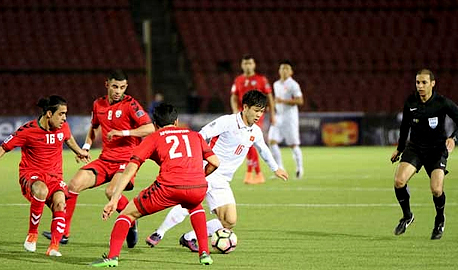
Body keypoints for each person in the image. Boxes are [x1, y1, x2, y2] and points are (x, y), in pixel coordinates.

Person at [145, 90, 288, 251]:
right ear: (245, 107)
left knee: (229, 221)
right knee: (189, 203)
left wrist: (275, 168)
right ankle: (159, 233)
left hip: (223, 179)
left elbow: (263, 150)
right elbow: (202, 135)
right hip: (206, 169)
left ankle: (189, 237)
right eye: (256, 110)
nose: (259, 115)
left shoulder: (255, 131)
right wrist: (195, 157)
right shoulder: (227, 122)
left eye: (262, 111)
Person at [90, 103, 220, 267]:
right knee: (195, 206)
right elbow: (215, 162)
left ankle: (112, 258)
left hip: (168, 187)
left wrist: (114, 198)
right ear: (176, 121)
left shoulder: (154, 137)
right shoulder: (195, 135)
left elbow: (131, 167)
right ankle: (205, 254)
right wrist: (199, 177)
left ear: (155, 125)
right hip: (198, 186)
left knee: (127, 214)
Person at [42, 70, 155, 247]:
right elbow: (94, 127)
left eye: (122, 87)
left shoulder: (130, 104)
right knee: (74, 184)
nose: (119, 91)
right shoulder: (98, 104)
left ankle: (131, 220)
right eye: (115, 86)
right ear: (107, 85)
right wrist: (86, 147)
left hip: (126, 160)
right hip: (105, 160)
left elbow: (149, 129)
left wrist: (124, 132)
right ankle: (63, 233)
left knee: (111, 192)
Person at [0, 95, 90, 256]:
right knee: (41, 190)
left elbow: (69, 139)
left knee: (60, 203)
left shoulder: (63, 127)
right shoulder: (27, 131)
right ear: (49, 114)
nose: (64, 118)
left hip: (54, 177)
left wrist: (80, 151)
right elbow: (2, 148)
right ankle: (32, 235)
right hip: (31, 175)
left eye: (66, 114)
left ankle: (53, 247)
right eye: (61, 114)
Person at [390, 69, 458, 240]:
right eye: (417, 82)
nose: (420, 86)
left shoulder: (442, 102)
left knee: (436, 189)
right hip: (415, 148)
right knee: (399, 181)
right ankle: (407, 216)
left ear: (432, 84)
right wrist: (400, 148)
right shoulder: (411, 101)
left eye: (424, 82)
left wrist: (453, 138)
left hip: (437, 150)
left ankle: (440, 219)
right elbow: (404, 128)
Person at [230, 54, 275, 184]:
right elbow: (233, 96)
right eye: (245, 63)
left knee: (250, 141)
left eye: (250, 63)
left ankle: (255, 173)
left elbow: (269, 97)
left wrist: (272, 114)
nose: (247, 66)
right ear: (242, 65)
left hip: (256, 115)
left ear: (254, 65)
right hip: (241, 115)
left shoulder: (261, 79)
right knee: (246, 142)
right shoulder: (238, 80)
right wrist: (234, 110)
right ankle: (253, 173)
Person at [268, 60, 304, 179]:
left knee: (293, 144)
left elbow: (300, 100)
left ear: (291, 72)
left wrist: (283, 101)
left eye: (286, 69)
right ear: (279, 71)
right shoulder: (276, 84)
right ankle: (280, 168)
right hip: (279, 116)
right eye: (282, 68)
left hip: (290, 117)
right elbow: (275, 99)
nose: (284, 71)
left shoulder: (293, 84)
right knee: (272, 141)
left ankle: (299, 168)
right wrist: (271, 109)